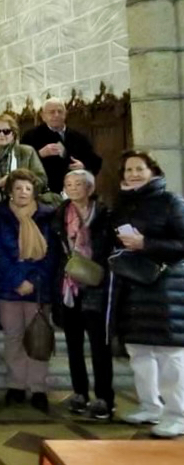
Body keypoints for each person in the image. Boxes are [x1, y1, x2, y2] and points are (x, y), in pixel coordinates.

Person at [110, 151, 184, 438]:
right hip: (132, 286)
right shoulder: (122, 206)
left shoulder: (171, 201)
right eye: (128, 170)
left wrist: (146, 243)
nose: (133, 174)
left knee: (169, 355)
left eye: (139, 169)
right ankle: (150, 405)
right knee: (139, 352)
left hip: (165, 288)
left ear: (153, 171)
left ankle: (177, 414)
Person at [0, 168, 58, 413]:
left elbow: (51, 254)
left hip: (38, 289)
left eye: (27, 189)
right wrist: (18, 280)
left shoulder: (46, 216)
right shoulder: (0, 215)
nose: (23, 192)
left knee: (38, 339)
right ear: (10, 191)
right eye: (18, 188)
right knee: (14, 337)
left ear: (34, 192)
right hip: (8, 287)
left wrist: (33, 280)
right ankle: (16, 385)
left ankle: (38, 388)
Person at [52, 169, 114, 420]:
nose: (74, 187)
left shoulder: (104, 214)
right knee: (74, 344)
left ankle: (104, 397)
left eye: (79, 183)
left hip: (96, 283)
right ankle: (79, 392)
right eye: (69, 183)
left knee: (100, 345)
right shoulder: (59, 214)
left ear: (90, 187)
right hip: (69, 284)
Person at [21, 98, 102, 194]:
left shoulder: (78, 136)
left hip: (76, 191)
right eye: (51, 112)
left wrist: (83, 165)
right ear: (43, 116)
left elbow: (95, 161)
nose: (56, 115)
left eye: (60, 111)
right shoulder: (31, 136)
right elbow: (21, 165)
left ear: (65, 114)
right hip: (46, 192)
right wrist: (39, 154)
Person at [0, 113, 48, 201]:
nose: (1, 135)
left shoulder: (26, 152)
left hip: (22, 203)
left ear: (13, 134)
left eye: (6, 131)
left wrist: (14, 178)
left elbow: (42, 180)